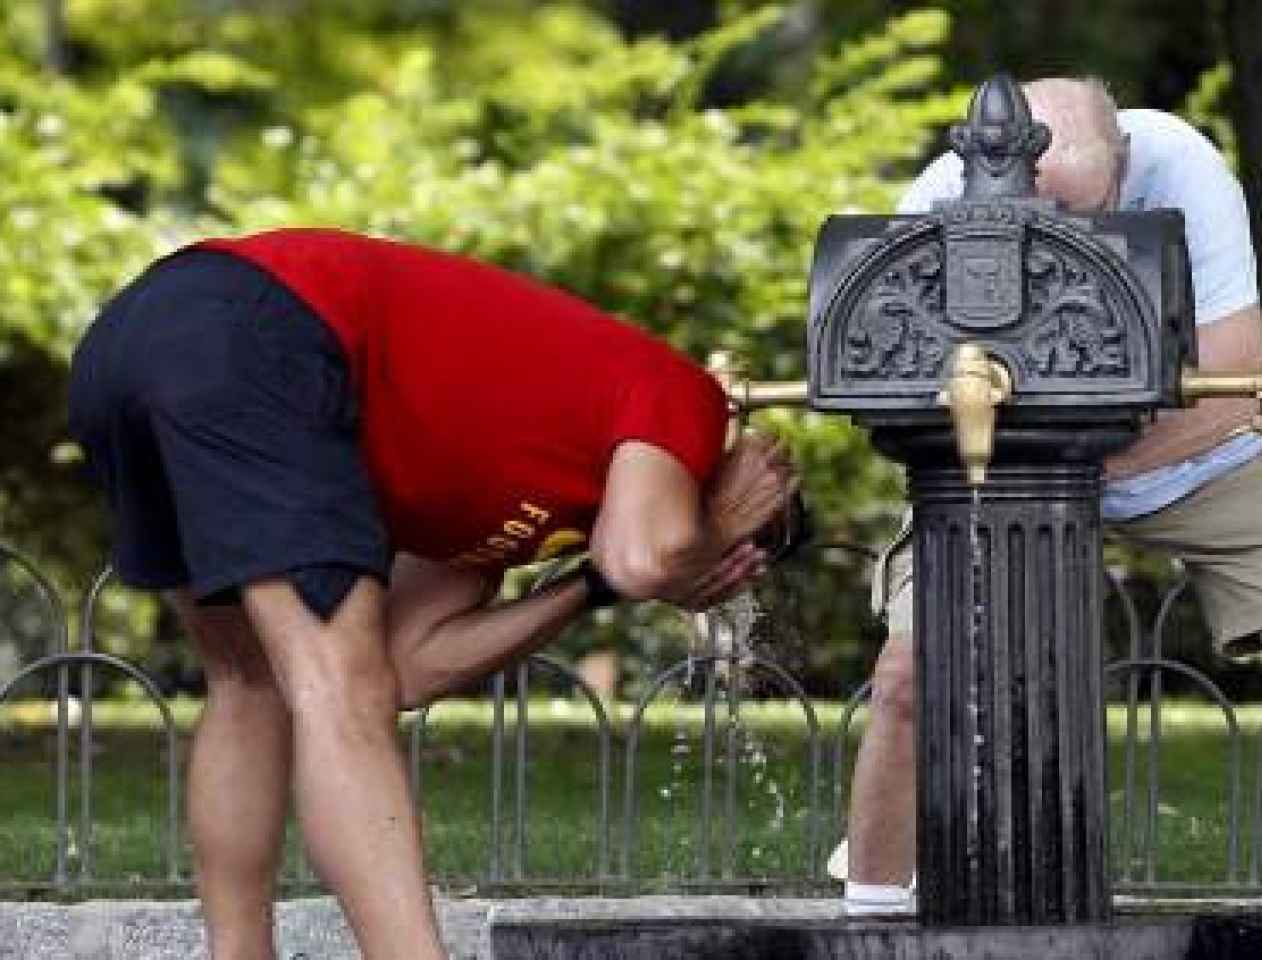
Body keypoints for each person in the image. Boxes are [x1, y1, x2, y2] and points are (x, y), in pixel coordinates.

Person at [68, 228, 796, 960]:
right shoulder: (686, 397)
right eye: (739, 560)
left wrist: (586, 588)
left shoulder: (512, 514)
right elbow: (647, 558)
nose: (722, 581)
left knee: (250, 680)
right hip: (262, 324)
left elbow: (408, 668)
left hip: (138, 339)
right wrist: (705, 539)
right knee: (334, 688)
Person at [836, 77, 1262, 911]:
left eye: (1081, 208)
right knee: (911, 674)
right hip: (997, 477)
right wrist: (1030, 461)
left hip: (1191, 459)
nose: (1058, 228)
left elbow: (1234, 378)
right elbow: (898, 394)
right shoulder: (933, 201)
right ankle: (872, 912)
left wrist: (1067, 452)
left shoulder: (1183, 168)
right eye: (1037, 205)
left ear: (1123, 166)